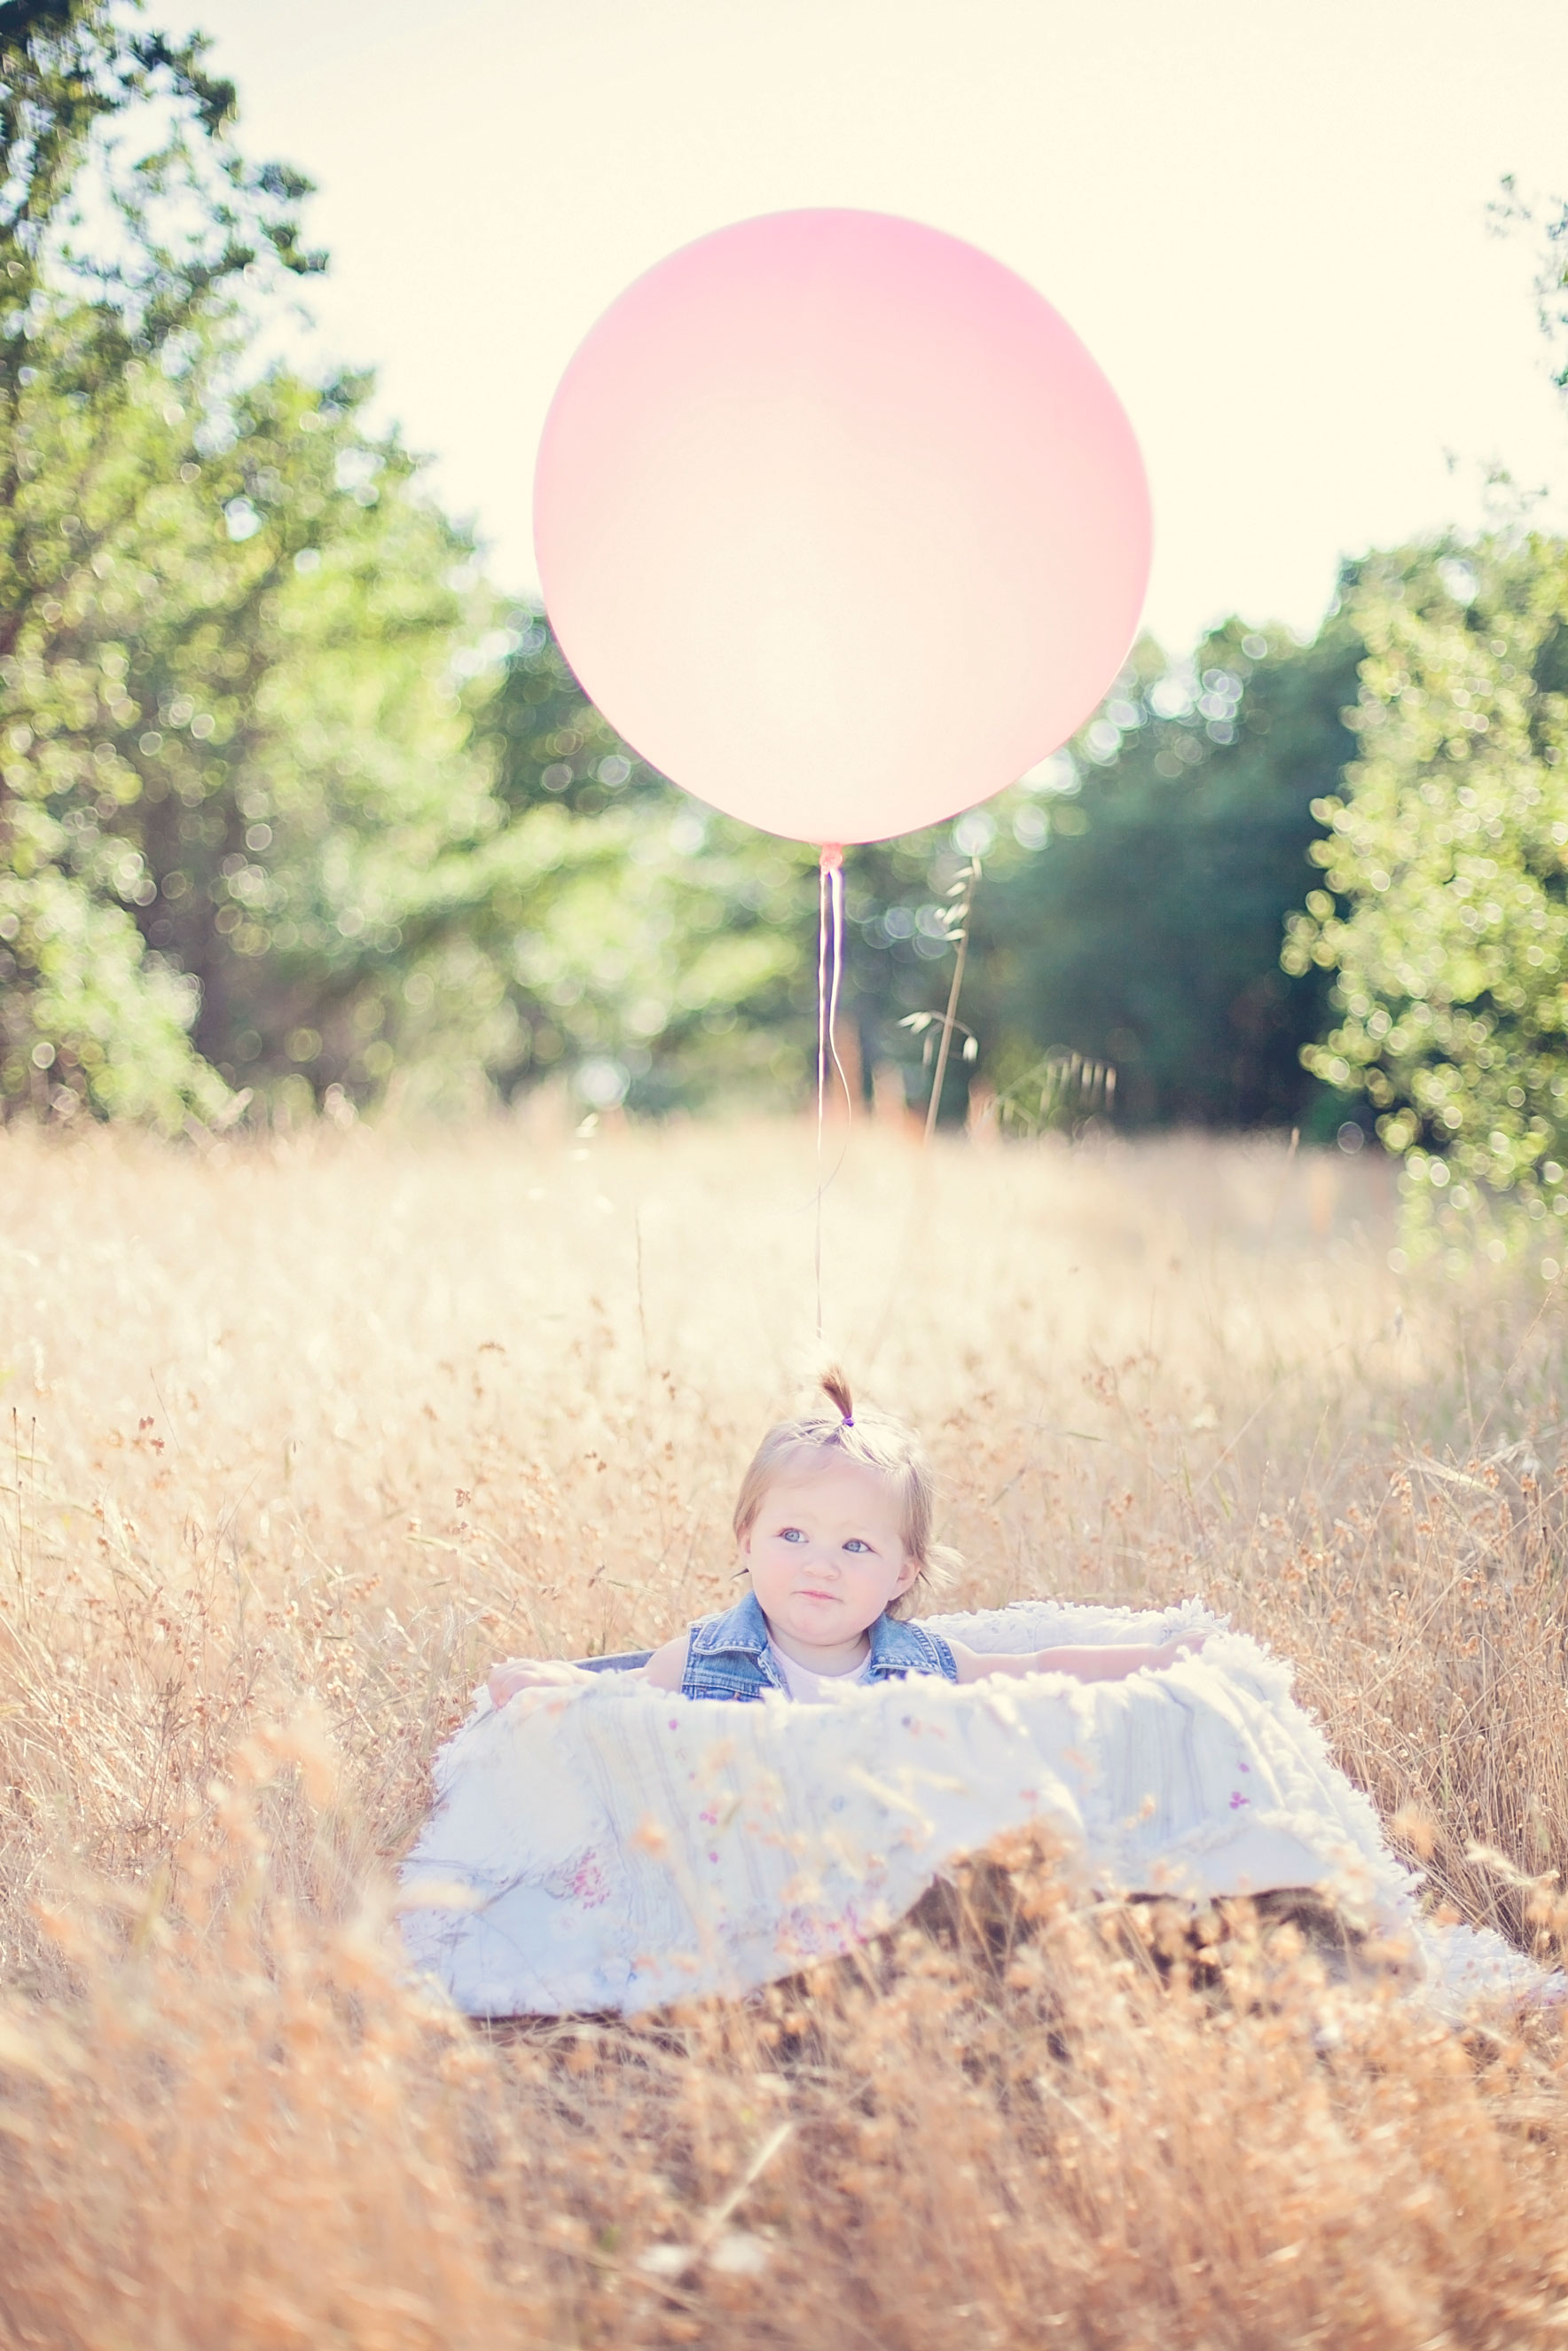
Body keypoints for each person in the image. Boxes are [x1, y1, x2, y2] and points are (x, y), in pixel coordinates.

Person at [487, 1371, 1203, 1709]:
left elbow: (1041, 1664)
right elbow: (620, 1696)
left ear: (902, 1572)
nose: (819, 1564)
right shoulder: (706, 1657)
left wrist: (1157, 1658)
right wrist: (561, 1683)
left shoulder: (925, 1664)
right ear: (745, 1541)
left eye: (856, 1546)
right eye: (792, 1533)